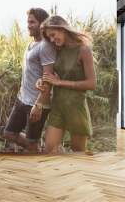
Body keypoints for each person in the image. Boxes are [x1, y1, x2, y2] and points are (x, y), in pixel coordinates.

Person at [37, 15, 96, 153]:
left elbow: (92, 84)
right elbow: (51, 75)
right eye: (49, 38)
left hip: (76, 108)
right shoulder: (57, 50)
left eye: (53, 35)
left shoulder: (83, 50)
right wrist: (41, 81)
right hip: (57, 106)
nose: (52, 40)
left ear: (62, 29)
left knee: (78, 152)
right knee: (49, 149)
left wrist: (60, 82)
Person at [3, 8, 56, 152]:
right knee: (9, 133)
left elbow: (48, 78)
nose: (29, 25)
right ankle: (36, 149)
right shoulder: (32, 44)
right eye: (28, 22)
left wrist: (39, 105)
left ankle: (35, 156)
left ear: (42, 24)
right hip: (23, 99)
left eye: (32, 22)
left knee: (32, 141)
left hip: (36, 103)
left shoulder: (46, 46)